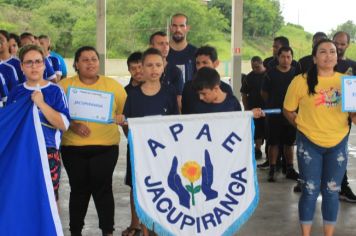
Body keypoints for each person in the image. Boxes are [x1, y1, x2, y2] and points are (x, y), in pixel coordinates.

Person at [283, 39, 356, 236]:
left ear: (337, 56)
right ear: (314, 58)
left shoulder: (347, 82)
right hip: (309, 144)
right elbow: (288, 110)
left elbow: (353, 116)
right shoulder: (300, 81)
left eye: (332, 51)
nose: (328, 55)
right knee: (309, 191)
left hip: (338, 143)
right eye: (323, 52)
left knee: (332, 192)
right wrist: (302, 126)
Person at [58, 46, 127, 236]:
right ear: (76, 64)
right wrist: (72, 125)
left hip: (106, 148)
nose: (90, 63)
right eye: (85, 60)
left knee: (103, 190)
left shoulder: (113, 86)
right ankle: (75, 231)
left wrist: (122, 118)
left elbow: (122, 112)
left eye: (94, 59)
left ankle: (107, 231)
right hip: (73, 148)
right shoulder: (64, 86)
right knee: (78, 190)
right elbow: (57, 114)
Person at [123, 48, 179, 236]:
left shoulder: (170, 93)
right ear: (142, 69)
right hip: (140, 155)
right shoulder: (132, 95)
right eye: (149, 65)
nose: (154, 69)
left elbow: (176, 125)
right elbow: (127, 127)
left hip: (164, 156)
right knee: (142, 193)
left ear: (163, 67)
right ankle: (144, 230)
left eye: (158, 65)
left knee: (164, 191)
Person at [7, 44, 70, 205]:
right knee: (21, 199)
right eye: (28, 62)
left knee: (48, 200)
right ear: (21, 66)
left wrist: (41, 104)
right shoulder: (16, 91)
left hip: (48, 153)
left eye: (38, 61)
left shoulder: (55, 91)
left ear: (44, 64)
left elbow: (64, 124)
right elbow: (9, 124)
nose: (34, 66)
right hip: (20, 153)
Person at [261, 46, 299, 182]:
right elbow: (264, 93)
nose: (286, 60)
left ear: (292, 58)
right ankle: (272, 169)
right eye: (283, 57)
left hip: (290, 114)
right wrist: (273, 105)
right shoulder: (270, 74)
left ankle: (289, 168)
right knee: (273, 143)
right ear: (278, 58)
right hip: (274, 114)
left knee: (289, 143)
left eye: (289, 57)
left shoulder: (296, 74)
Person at [121, 51, 144, 236]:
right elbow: (124, 123)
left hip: (158, 147)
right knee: (134, 185)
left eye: (139, 66)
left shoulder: (158, 88)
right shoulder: (125, 92)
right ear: (128, 69)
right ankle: (135, 224)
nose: (137, 71)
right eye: (133, 68)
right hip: (135, 146)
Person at [332, 31, 356, 203]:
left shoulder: (352, 66)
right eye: (337, 43)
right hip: (319, 118)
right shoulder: (321, 63)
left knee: (340, 153)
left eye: (342, 44)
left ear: (348, 45)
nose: (339, 47)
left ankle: (342, 186)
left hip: (342, 120)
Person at [181, 45, 233, 114]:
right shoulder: (188, 87)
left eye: (205, 63)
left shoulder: (225, 88)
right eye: (198, 63)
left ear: (216, 63)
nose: (200, 67)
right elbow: (185, 115)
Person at [150, 31, 184, 111]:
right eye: (161, 44)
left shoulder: (176, 71)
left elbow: (178, 101)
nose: (165, 47)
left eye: (167, 44)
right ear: (151, 46)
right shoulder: (143, 69)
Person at [241, 56, 267, 159]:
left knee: (268, 130)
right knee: (257, 130)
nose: (254, 69)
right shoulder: (249, 78)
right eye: (252, 67)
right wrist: (247, 109)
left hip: (268, 108)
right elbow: (244, 94)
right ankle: (258, 149)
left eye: (257, 67)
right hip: (254, 108)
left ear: (262, 64)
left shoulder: (269, 74)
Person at [166, 13, 197, 83]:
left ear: (187, 28)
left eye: (182, 26)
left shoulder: (196, 52)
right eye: (174, 26)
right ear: (170, 28)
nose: (178, 29)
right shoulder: (162, 52)